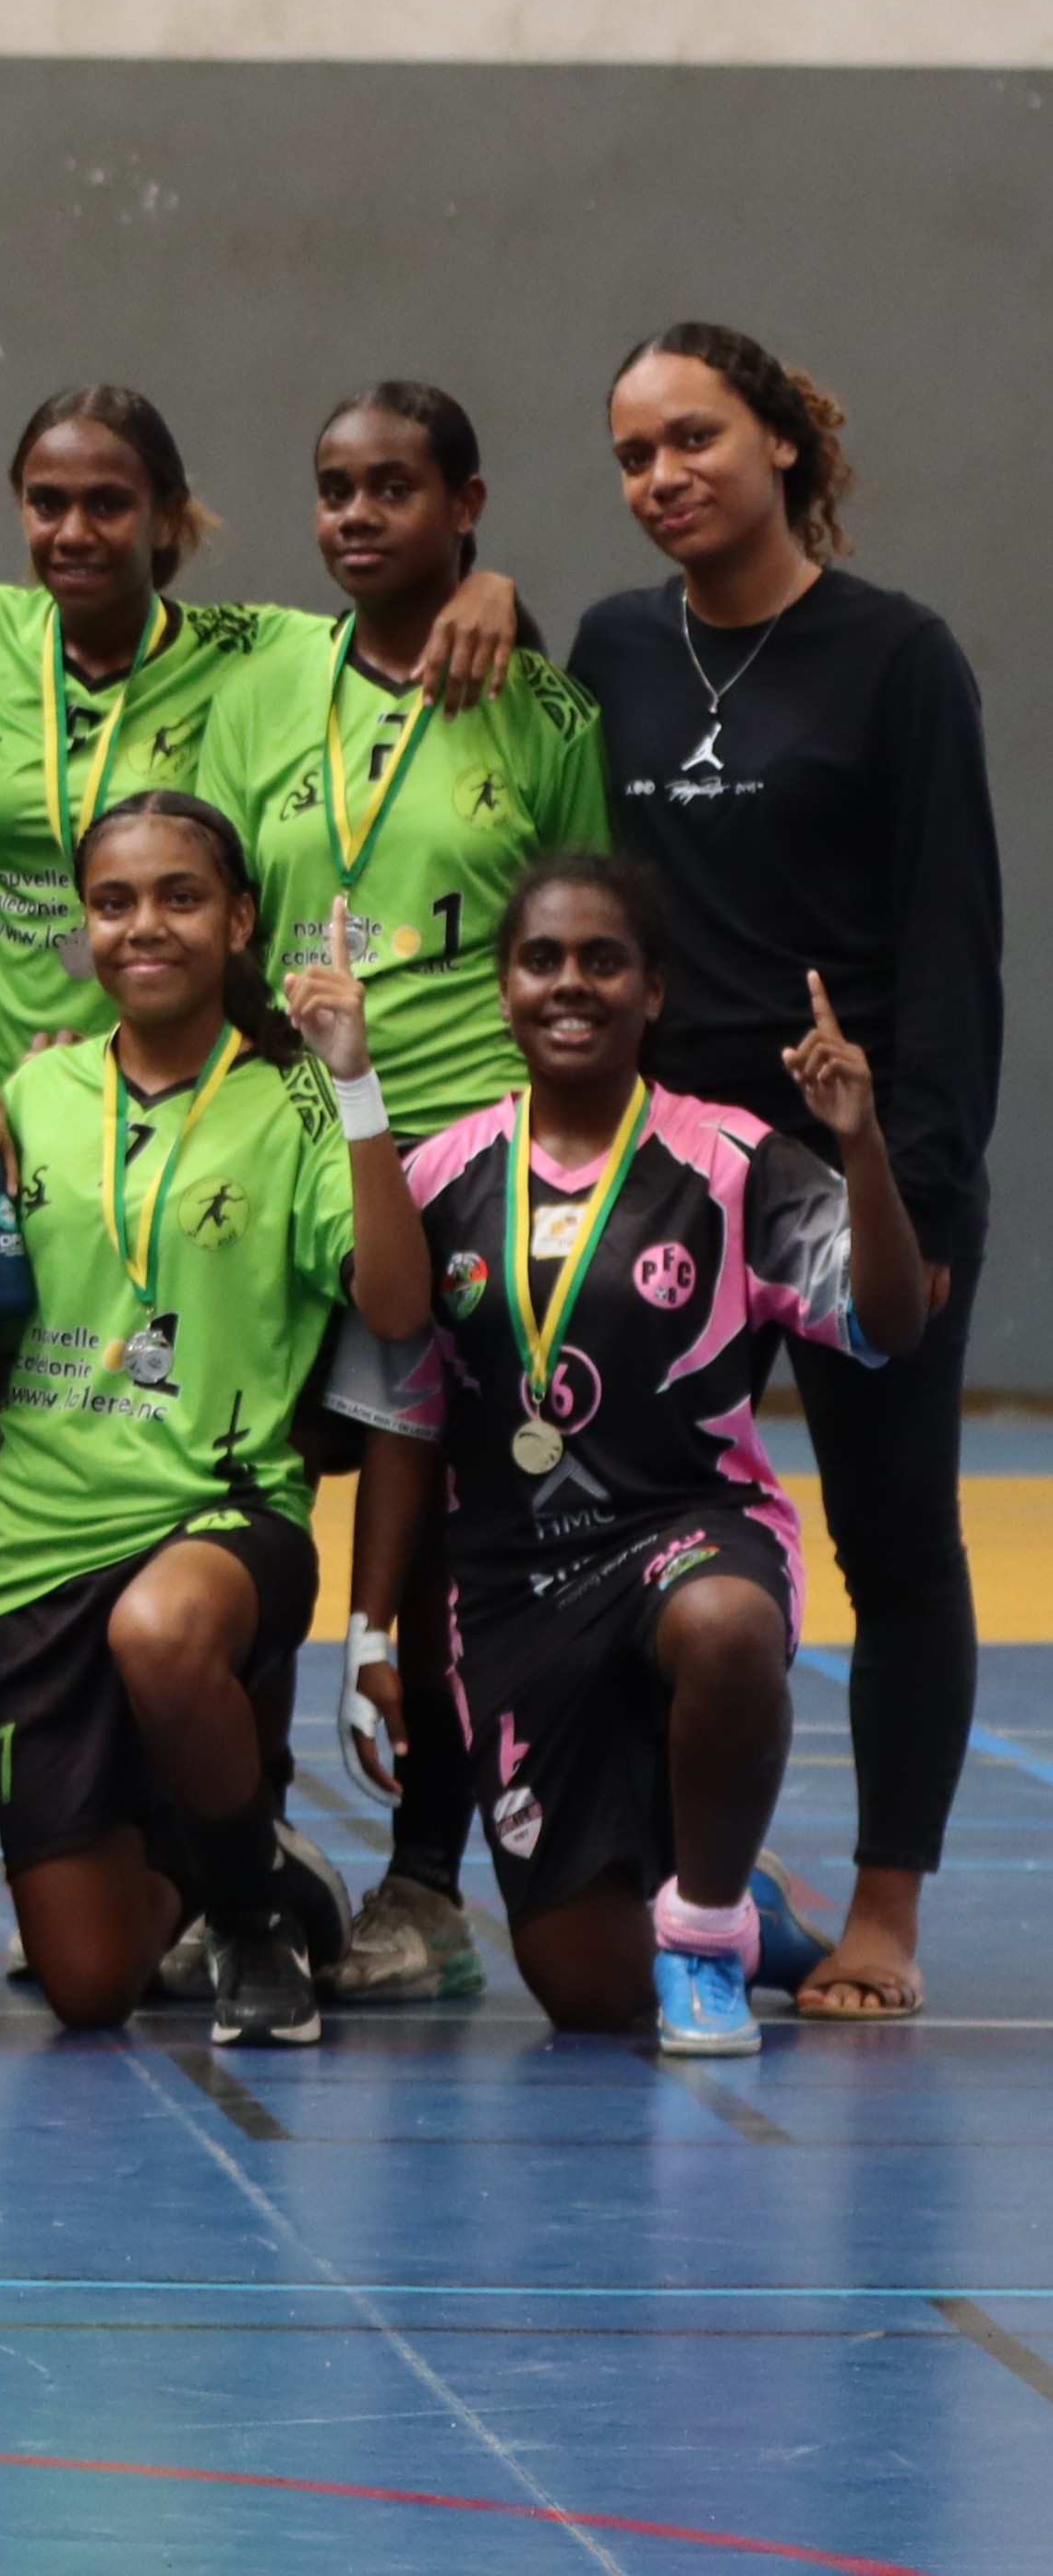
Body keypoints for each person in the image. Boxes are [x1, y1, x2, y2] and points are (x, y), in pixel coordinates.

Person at [571, 326, 998, 2024]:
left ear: (781, 446)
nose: (663, 476)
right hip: (670, 1171)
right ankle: (687, 1870)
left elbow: (953, 950)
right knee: (624, 1521)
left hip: (842, 1169)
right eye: (631, 453)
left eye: (695, 438)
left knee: (892, 1531)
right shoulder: (610, 645)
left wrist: (930, 1192)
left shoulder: (898, 659)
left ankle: (883, 1905)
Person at [338, 858, 921, 2056]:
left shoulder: (734, 1161)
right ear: (501, 987)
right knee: (591, 1993)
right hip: (514, 1588)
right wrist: (369, 1630)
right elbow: (402, 1407)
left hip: (685, 1528)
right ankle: (750, 1910)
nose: (569, 984)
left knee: (724, 1626)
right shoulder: (443, 1175)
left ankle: (705, 1929)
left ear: (653, 989)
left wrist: (860, 1145)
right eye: (540, 958)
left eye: (602, 960)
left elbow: (890, 1320)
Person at [215, 380, 607, 2010]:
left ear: (465, 503)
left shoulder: (545, 711)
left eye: (395, 486)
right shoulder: (256, 684)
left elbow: (587, 953)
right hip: (282, 1143)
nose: (359, 513)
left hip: (463, 1161)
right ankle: (225, 1863)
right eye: (332, 487)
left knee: (442, 1534)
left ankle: (426, 1877)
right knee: (226, 1493)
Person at [0, 792, 427, 2046]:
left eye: (179, 896)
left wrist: (359, 1085)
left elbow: (396, 1300)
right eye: (112, 901)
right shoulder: (38, 1086)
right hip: (40, 1538)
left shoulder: (295, 1102)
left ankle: (244, 1915)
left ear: (237, 919)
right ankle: (242, 1854)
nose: (143, 925)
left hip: (219, 1513)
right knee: (87, 1985)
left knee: (164, 1628)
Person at [0, 384, 517, 1085]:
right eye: (46, 503)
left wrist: (486, 587)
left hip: (172, 1080)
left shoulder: (249, 652)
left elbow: (398, 627)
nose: (72, 531)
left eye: (107, 504)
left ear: (165, 520)